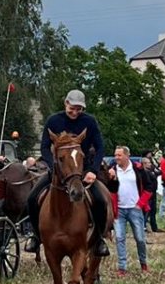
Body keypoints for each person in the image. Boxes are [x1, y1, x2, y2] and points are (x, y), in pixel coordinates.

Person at [25, 90, 107, 256]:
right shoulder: (53, 120)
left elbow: (100, 148)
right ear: (66, 104)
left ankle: (98, 239)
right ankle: (36, 236)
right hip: (58, 170)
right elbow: (44, 147)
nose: (75, 112)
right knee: (32, 198)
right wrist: (52, 165)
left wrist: (93, 170)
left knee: (100, 200)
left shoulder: (90, 122)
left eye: (79, 109)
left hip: (82, 170)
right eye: (72, 108)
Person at [107, 146, 151, 277]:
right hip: (119, 210)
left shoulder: (138, 169)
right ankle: (122, 267)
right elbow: (111, 190)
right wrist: (112, 179)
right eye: (115, 155)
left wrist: (140, 204)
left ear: (127, 156)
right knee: (120, 238)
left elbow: (149, 187)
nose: (116, 158)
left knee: (140, 238)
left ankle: (143, 263)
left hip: (134, 209)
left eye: (119, 155)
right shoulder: (113, 170)